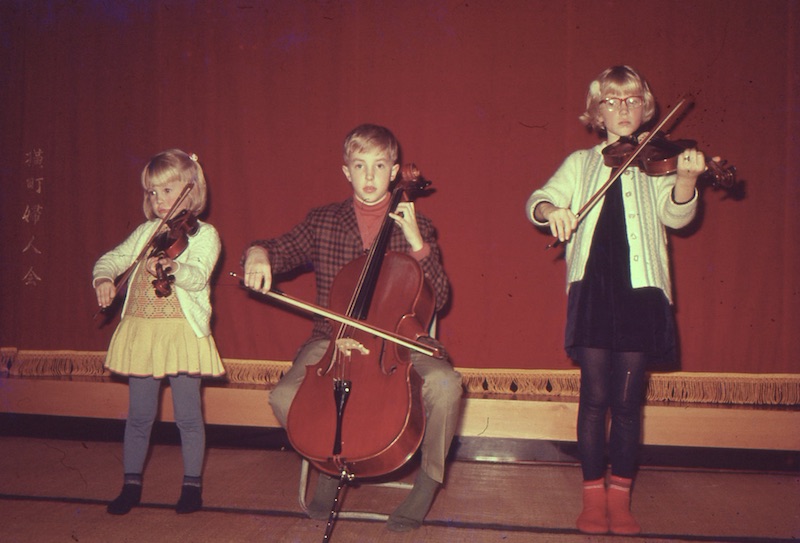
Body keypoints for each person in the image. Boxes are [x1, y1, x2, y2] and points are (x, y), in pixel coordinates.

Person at [242, 124, 463, 532]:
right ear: (346, 171)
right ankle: (329, 465)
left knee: (446, 387)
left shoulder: (418, 225)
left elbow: (441, 297)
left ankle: (427, 483)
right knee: (283, 396)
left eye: (379, 166)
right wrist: (258, 252)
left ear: (395, 171)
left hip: (397, 344)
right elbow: (279, 248)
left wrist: (416, 243)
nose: (369, 176)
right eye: (359, 166)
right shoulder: (323, 221)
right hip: (332, 339)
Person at [525, 66, 708, 535]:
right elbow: (540, 199)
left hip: (640, 292)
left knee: (627, 403)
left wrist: (686, 182)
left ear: (645, 108)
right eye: (613, 101)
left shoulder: (654, 161)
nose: (624, 109)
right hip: (592, 290)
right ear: (597, 111)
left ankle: (620, 497)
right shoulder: (580, 163)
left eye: (632, 101)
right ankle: (591, 496)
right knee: (595, 396)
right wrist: (554, 210)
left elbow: (676, 215)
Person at [93, 149, 225, 515]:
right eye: (153, 192)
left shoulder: (204, 235)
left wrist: (173, 267)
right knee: (138, 415)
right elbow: (113, 258)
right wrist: (103, 277)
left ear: (190, 189)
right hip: (144, 331)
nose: (160, 199)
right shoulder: (145, 233)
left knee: (187, 415)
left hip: (181, 332)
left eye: (168, 190)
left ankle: (191, 487)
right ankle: (131, 484)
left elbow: (198, 277)